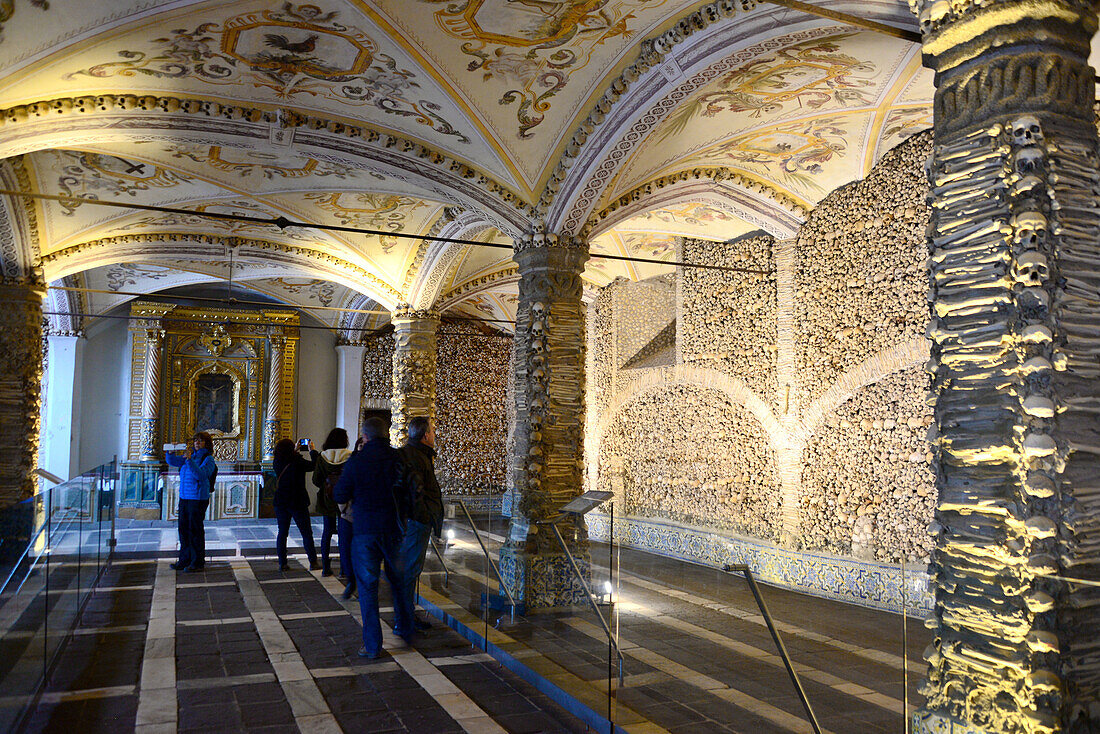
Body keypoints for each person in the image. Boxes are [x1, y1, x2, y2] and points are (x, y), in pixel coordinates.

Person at [333, 416, 413, 658]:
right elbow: (409, 490)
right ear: (386, 433)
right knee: (399, 582)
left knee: (368, 589)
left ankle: (372, 646)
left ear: (365, 437)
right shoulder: (398, 458)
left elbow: (339, 493)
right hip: (392, 529)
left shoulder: (356, 462)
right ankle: (405, 629)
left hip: (365, 531)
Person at [397, 416, 443, 631]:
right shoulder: (417, 457)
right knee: (410, 570)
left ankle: (407, 615)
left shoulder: (413, 453)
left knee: (410, 570)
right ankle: (404, 620)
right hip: (416, 523)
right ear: (425, 436)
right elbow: (415, 492)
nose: (434, 435)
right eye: (432, 431)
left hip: (413, 520)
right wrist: (423, 516)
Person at [167, 432, 218, 572]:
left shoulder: (208, 459)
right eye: (196, 440)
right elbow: (173, 462)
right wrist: (170, 453)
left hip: (198, 498)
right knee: (183, 529)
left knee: (194, 530)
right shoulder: (191, 456)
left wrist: (189, 461)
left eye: (201, 441)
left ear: (206, 444)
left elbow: (201, 475)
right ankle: (184, 559)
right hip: (185, 497)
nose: (197, 443)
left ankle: (197, 562)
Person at [272, 438, 321, 572]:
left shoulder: (277, 461)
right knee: (306, 533)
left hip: (281, 501)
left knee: (282, 532)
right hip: (297, 501)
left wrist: (294, 450)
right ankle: (313, 561)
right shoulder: (297, 461)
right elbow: (314, 465)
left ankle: (282, 563)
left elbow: (288, 459)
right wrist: (312, 451)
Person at [312, 428, 352, 580]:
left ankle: (326, 568)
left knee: (327, 533)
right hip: (345, 500)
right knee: (344, 535)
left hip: (327, 499)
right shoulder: (349, 456)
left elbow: (316, 480)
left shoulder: (323, 457)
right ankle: (344, 569)